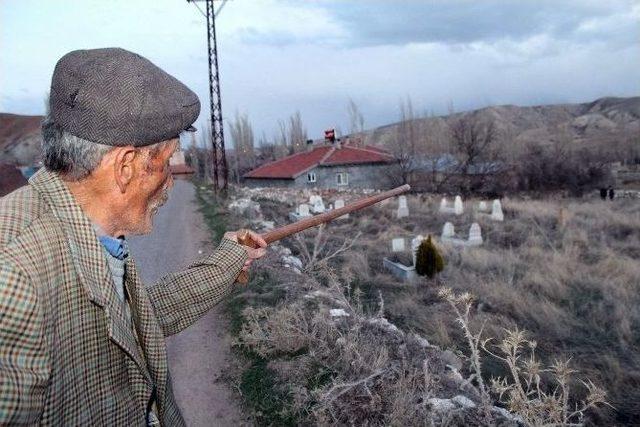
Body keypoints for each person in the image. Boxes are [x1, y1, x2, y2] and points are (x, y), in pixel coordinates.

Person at [0, 48, 267, 426]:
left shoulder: (85, 228)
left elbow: (136, 320)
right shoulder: (13, 277)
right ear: (126, 166)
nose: (171, 181)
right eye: (167, 162)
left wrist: (228, 259)